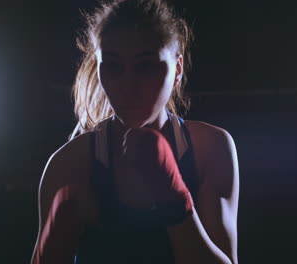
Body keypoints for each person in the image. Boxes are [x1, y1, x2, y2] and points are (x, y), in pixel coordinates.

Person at [30, 0, 239, 263]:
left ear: (177, 69)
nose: (128, 85)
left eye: (146, 66)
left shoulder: (210, 148)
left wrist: (174, 199)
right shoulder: (70, 165)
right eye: (114, 66)